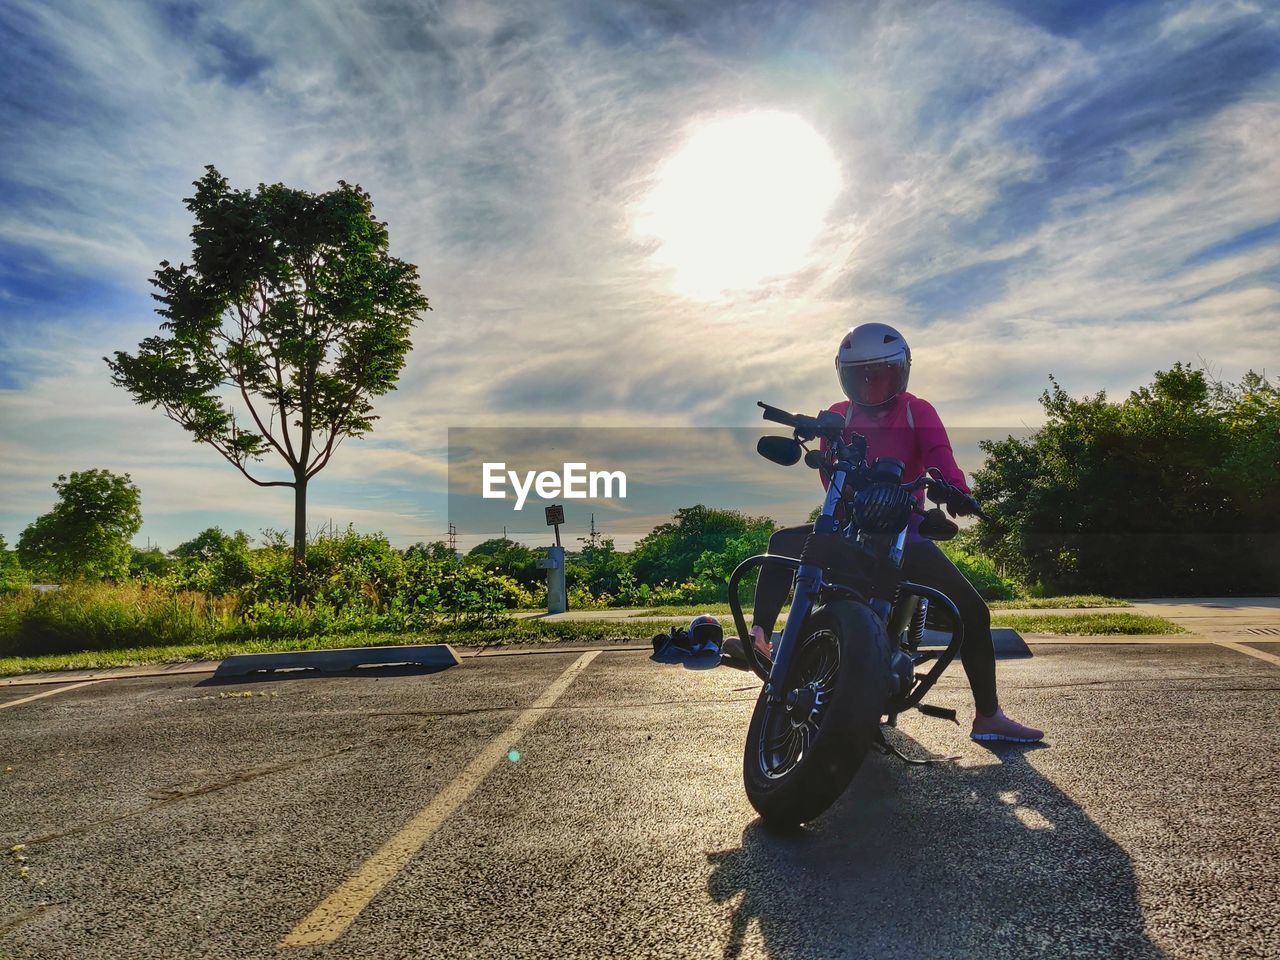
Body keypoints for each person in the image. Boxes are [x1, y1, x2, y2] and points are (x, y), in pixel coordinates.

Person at [726, 322, 1043, 743]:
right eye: (861, 374)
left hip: (903, 533)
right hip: (848, 529)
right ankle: (760, 639)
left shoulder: (918, 411)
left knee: (974, 611)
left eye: (882, 373)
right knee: (782, 543)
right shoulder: (837, 417)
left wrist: (957, 493)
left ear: (902, 372)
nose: (872, 383)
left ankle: (988, 715)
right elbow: (832, 481)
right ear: (845, 375)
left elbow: (941, 461)